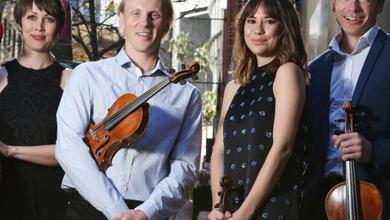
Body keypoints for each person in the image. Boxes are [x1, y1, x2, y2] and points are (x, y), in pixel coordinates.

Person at [55, 0, 202, 219]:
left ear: (166, 24)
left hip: (147, 211)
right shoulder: (87, 75)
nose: (144, 22)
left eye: (154, 15)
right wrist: (116, 209)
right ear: (121, 18)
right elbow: (68, 148)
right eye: (136, 13)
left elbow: (185, 168)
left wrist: (147, 211)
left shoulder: (187, 95)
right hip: (86, 206)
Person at [208, 0, 309, 219]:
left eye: (269, 21)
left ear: (284, 27)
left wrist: (246, 212)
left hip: (273, 207)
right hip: (231, 209)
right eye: (251, 20)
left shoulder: (287, 72)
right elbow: (218, 151)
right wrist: (219, 206)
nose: (258, 29)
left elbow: (283, 148)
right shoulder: (234, 86)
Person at [303, 0, 390, 219]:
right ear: (332, 4)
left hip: (378, 203)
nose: (353, 7)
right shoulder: (315, 70)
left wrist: (374, 151)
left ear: (380, 4)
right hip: (320, 205)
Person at [0, 0, 69, 219]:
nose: (39, 26)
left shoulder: (70, 80)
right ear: (19, 23)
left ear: (58, 28)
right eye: (31, 17)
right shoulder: (1, 75)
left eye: (48, 19)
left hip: (54, 195)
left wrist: (10, 150)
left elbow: (76, 151)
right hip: (6, 191)